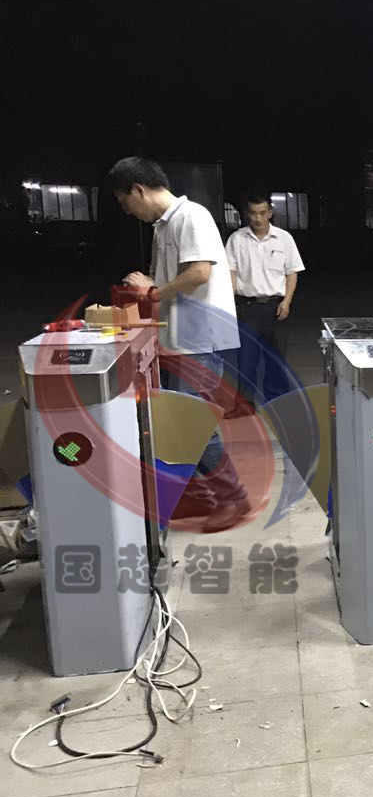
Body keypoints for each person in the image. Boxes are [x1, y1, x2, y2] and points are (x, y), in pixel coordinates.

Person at [109, 156, 250, 531]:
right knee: (176, 421)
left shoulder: (192, 217)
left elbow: (199, 273)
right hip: (179, 339)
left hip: (200, 339)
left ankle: (232, 498)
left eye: (125, 202)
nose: (127, 211)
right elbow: (166, 279)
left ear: (138, 189)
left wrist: (153, 291)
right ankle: (200, 495)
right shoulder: (163, 227)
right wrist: (147, 287)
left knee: (192, 425)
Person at [224, 193, 304, 410]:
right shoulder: (237, 239)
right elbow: (231, 272)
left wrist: (287, 301)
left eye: (262, 213)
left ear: (270, 213)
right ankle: (244, 406)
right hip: (246, 307)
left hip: (276, 307)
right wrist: (230, 302)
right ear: (247, 214)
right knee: (246, 360)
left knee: (275, 359)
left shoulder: (284, 239)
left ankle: (276, 402)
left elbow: (292, 272)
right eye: (253, 213)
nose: (257, 218)